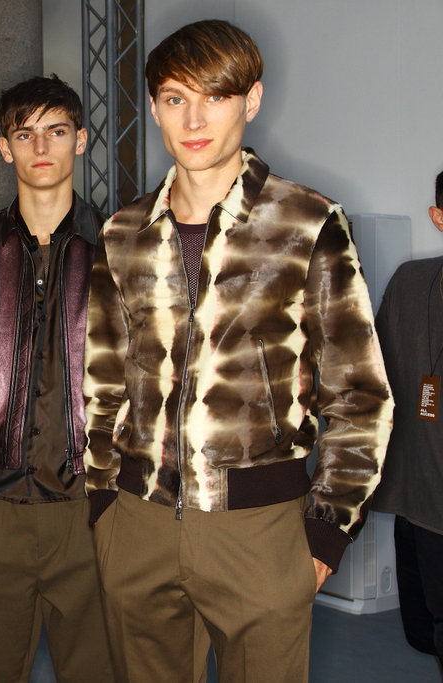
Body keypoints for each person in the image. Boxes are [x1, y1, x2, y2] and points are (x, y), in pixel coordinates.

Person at [83, 20, 394, 682]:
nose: (193, 119)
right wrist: (104, 505)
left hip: (261, 530)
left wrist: (324, 534)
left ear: (251, 101)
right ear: (154, 107)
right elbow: (104, 383)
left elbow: (360, 395)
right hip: (136, 523)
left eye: (215, 96)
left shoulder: (307, 222)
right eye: (175, 98)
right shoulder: (122, 233)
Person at [0, 75, 111, 682]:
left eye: (56, 131)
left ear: (80, 139)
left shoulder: (120, 246)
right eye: (25, 134)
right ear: (5, 148)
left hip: (91, 505)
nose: (41, 147)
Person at [372, 170, 443, 675]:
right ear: (438, 217)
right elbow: (372, 373)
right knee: (424, 629)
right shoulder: (411, 284)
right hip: (416, 493)